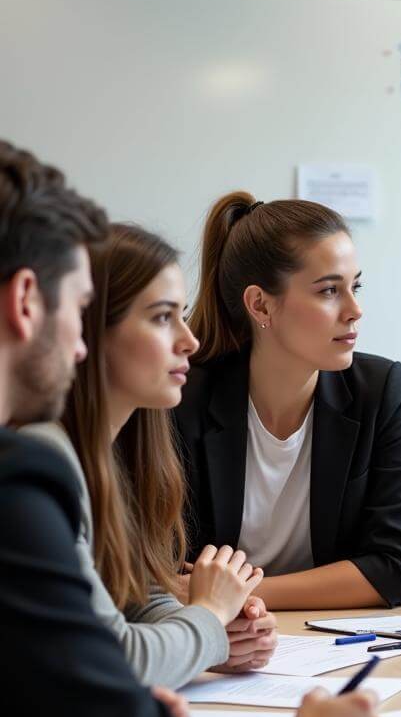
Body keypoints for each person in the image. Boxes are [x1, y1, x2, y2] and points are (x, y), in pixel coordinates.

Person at [0, 141, 381, 717]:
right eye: (78, 314)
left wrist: (120, 689)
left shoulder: (110, 460)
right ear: (28, 302)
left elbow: (131, 616)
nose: (75, 349)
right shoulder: (23, 475)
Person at [23, 223, 277, 688]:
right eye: (163, 318)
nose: (190, 341)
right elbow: (113, 659)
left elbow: (137, 595)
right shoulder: (41, 459)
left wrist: (213, 634)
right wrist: (206, 618)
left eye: (182, 315)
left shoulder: (118, 448)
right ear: (88, 331)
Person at [175, 192, 401, 610]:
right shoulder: (183, 399)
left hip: (324, 641)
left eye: (355, 286)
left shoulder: (379, 390)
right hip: (213, 642)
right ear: (260, 305)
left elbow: (395, 565)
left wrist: (238, 597)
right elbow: (159, 567)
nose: (355, 310)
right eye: (329, 291)